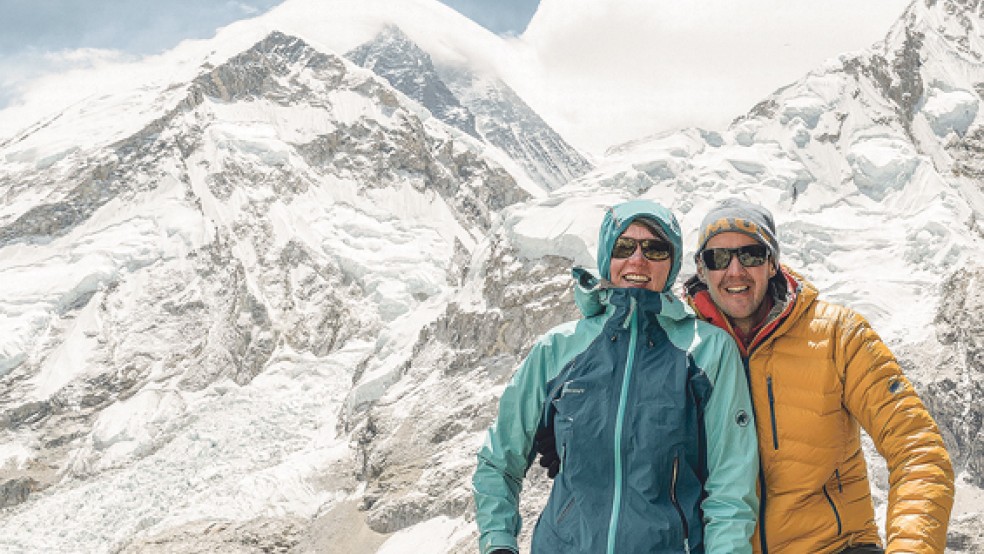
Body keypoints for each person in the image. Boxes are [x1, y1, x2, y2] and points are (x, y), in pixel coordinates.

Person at [472, 199, 759, 554]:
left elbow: (731, 486)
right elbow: (500, 458)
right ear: (607, 254)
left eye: (655, 248)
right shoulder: (557, 349)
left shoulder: (708, 351)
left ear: (671, 263)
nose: (638, 260)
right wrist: (498, 542)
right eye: (625, 247)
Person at [681, 198, 955, 553]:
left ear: (773, 263)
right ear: (702, 270)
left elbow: (917, 449)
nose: (735, 271)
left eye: (750, 255)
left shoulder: (839, 336)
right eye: (718, 258)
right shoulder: (684, 349)